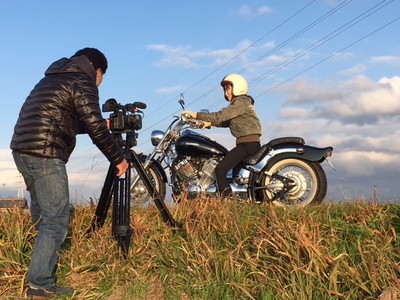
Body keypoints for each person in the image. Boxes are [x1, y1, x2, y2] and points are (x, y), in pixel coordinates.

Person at [10, 48, 129, 299]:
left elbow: (61, 120)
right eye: (102, 76)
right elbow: (94, 126)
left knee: (42, 215)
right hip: (45, 153)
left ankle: (37, 267)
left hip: (23, 148)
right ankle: (40, 284)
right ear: (97, 70)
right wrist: (118, 159)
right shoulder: (82, 80)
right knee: (56, 220)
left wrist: (99, 125)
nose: (100, 82)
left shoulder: (53, 77)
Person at [181, 73, 262, 198]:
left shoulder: (240, 102)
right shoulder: (243, 104)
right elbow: (226, 121)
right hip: (248, 144)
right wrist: (209, 123)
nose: (226, 92)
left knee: (220, 170)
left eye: (227, 88)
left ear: (237, 87)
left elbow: (220, 116)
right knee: (235, 175)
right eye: (225, 89)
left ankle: (226, 197)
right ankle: (239, 197)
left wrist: (195, 115)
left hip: (247, 145)